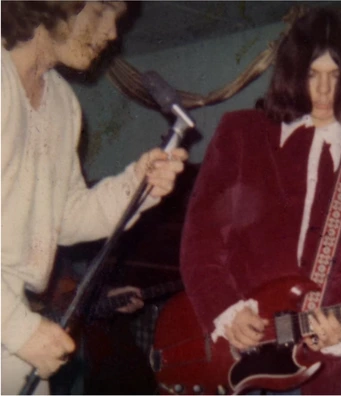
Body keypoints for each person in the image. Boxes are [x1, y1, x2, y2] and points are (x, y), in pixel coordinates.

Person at [180, 8, 341, 394]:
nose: (326, 90)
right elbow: (202, 240)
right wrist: (225, 310)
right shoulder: (241, 134)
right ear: (293, 73)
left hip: (313, 373)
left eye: (337, 76)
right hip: (230, 359)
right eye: (313, 74)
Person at [1, 1, 189, 394]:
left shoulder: (63, 104)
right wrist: (17, 328)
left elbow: (66, 218)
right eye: (102, 10)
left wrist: (137, 185)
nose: (112, 33)